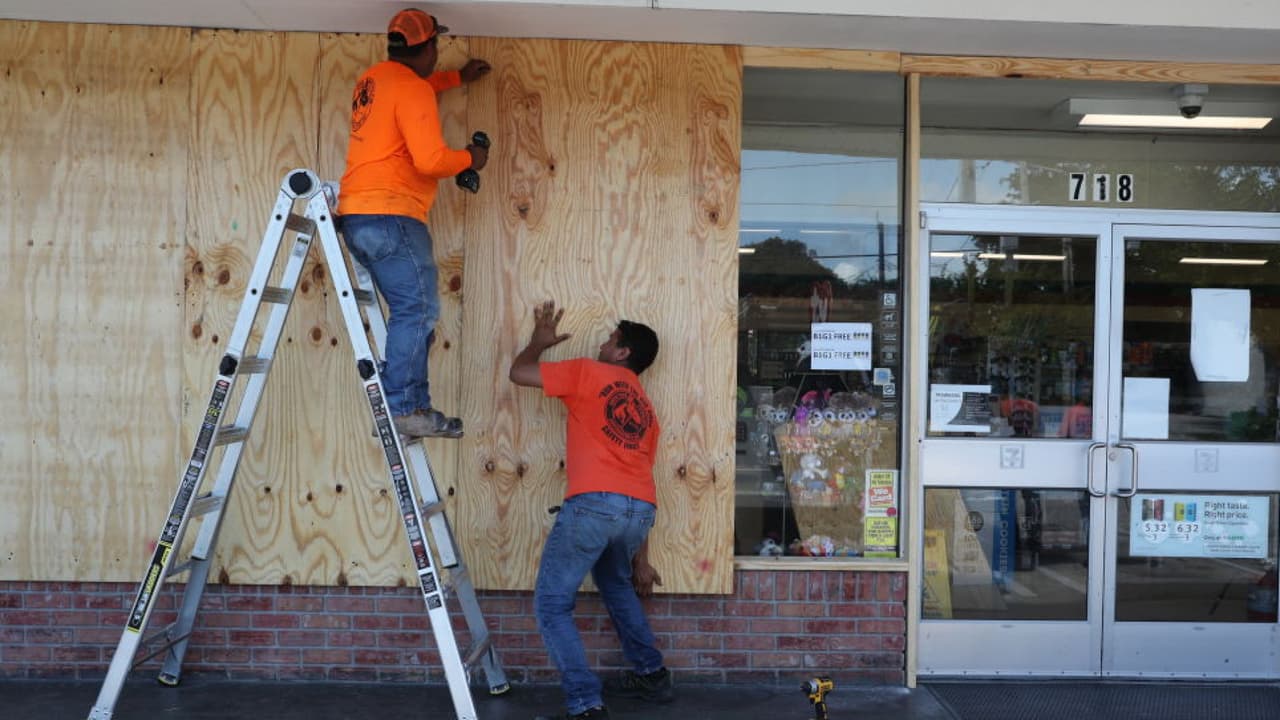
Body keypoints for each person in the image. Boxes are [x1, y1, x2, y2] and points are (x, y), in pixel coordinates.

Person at [509, 301, 674, 720]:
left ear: (622, 353)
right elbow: (640, 480)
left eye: (610, 339)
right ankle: (651, 673)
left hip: (594, 505)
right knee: (616, 585)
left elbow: (519, 373)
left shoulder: (587, 372)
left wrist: (536, 343)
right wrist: (642, 557)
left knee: (552, 603)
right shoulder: (646, 409)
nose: (602, 343)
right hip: (639, 511)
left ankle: (585, 702)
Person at [337, 8, 490, 439]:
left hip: (358, 216)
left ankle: (409, 404)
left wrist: (455, 79)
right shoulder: (412, 90)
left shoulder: (373, 80)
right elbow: (431, 160)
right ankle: (403, 407)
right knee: (416, 310)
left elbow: (414, 89)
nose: (437, 57)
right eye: (436, 47)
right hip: (393, 217)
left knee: (410, 311)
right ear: (428, 48)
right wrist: (471, 159)